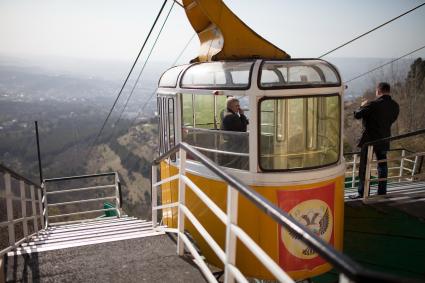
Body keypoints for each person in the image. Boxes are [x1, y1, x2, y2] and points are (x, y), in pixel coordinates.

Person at [351, 82, 399, 199]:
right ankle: (382, 192)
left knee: (365, 166)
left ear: (378, 91)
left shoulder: (373, 104)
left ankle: (362, 193)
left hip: (369, 141)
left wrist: (362, 106)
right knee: (382, 165)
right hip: (384, 139)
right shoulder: (395, 106)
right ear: (388, 91)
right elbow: (391, 120)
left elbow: (357, 115)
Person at [220, 97, 249, 169]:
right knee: (236, 163)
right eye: (237, 106)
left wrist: (242, 118)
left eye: (238, 105)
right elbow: (243, 129)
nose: (238, 107)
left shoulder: (224, 114)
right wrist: (242, 115)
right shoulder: (233, 117)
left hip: (228, 143)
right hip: (235, 144)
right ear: (231, 106)